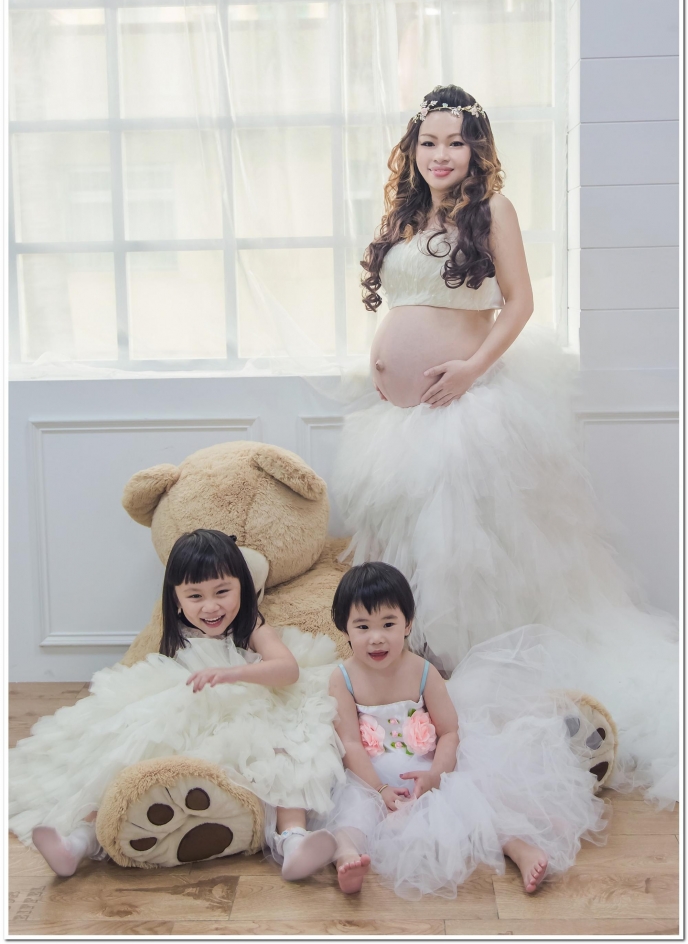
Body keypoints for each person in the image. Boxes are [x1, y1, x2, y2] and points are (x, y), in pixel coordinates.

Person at [333, 84, 678, 808]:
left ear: (476, 149)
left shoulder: (492, 211)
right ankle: (416, 691)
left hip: (467, 408)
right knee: (408, 555)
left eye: (455, 142)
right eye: (429, 142)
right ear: (412, 150)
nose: (441, 155)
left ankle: (481, 700)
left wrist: (469, 368)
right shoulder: (406, 214)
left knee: (464, 559)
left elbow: (518, 302)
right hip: (398, 421)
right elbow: (408, 304)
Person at [9, 529, 343, 880]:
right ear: (177, 599)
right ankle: (80, 840)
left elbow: (288, 670)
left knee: (290, 750)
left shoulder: (253, 626)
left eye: (222, 592)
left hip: (256, 707)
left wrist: (233, 673)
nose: (210, 606)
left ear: (242, 588)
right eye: (195, 595)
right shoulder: (179, 631)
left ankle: (293, 841)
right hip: (192, 712)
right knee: (127, 747)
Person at [314, 561, 607, 898]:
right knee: (352, 819)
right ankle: (347, 858)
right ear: (345, 629)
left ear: (408, 624)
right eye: (363, 626)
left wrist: (436, 775)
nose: (376, 637)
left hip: (427, 766)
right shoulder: (343, 678)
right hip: (369, 777)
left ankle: (520, 849)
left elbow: (449, 731)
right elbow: (350, 742)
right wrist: (379, 789)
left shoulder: (423, 672)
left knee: (475, 801)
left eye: (388, 624)